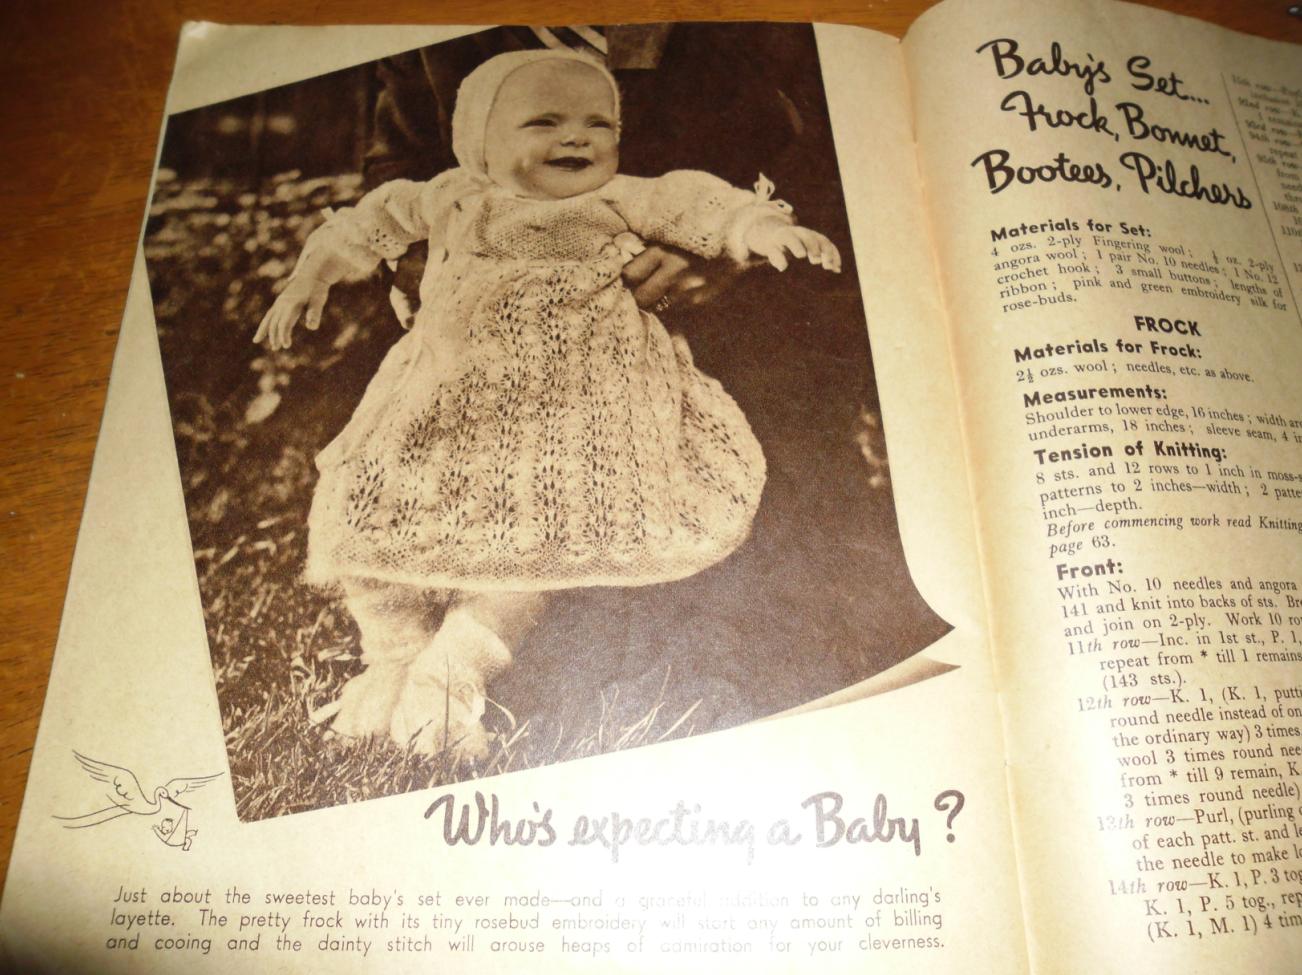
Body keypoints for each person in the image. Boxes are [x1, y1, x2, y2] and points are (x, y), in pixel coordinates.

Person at [254, 50, 840, 760]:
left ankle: (455, 670)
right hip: (445, 397)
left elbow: (702, 205)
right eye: (546, 121)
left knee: (540, 536)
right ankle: (395, 655)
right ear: (481, 143)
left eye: (600, 124)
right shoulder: (450, 196)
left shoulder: (619, 197)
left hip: (579, 404)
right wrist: (307, 281)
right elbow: (364, 224)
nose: (578, 138)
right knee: (361, 496)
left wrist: (765, 231)